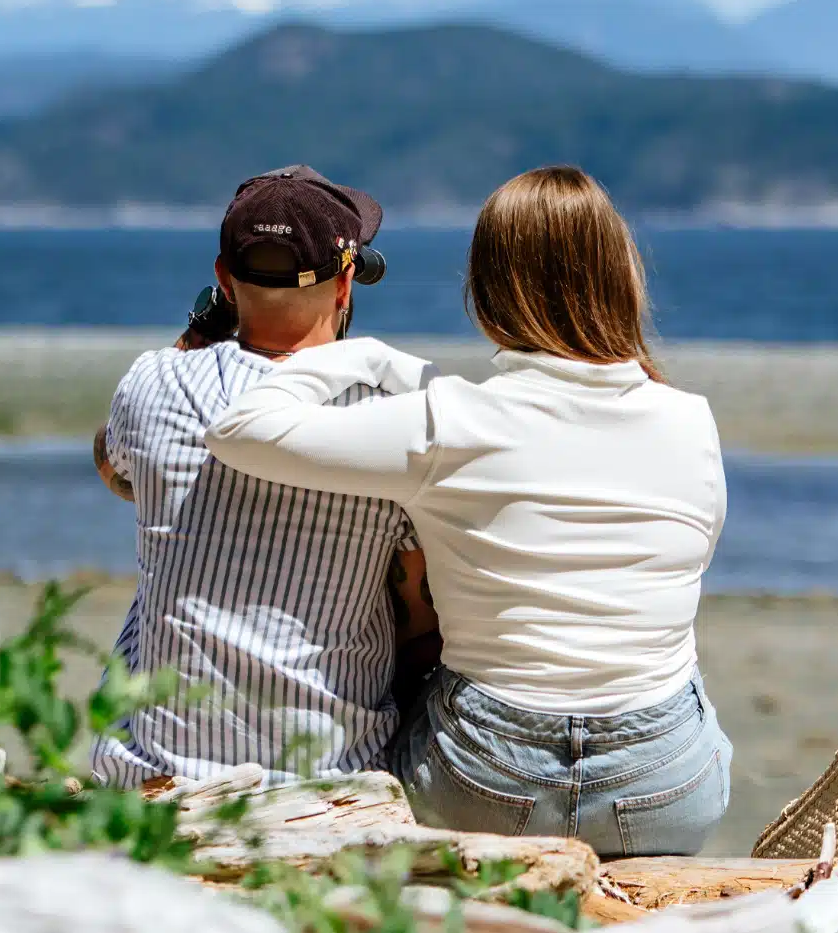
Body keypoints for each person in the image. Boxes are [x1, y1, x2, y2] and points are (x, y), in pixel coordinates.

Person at [203, 165, 730, 856]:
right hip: (663, 789)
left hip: (486, 782)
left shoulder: (451, 419)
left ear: (486, 292)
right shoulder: (692, 421)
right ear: (621, 276)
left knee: (411, 672)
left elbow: (240, 428)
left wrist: (363, 357)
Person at [88, 165, 438, 788]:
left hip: (157, 776)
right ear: (347, 281)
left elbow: (113, 464)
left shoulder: (151, 383)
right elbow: (420, 620)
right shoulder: (395, 418)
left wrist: (202, 326)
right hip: (331, 779)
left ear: (223, 279)